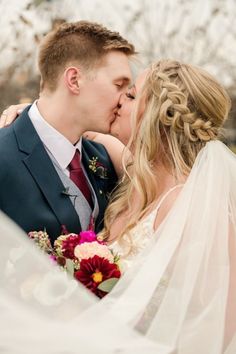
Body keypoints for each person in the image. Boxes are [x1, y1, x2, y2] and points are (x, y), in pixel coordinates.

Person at [0, 59, 235, 354]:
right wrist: (30, 116)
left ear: (157, 119)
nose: (120, 102)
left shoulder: (191, 207)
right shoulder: (133, 172)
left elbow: (221, 324)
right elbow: (75, 130)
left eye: (133, 95)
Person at [0, 21, 135, 243]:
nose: (124, 100)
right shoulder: (4, 155)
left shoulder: (105, 159)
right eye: (118, 85)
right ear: (74, 80)